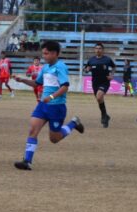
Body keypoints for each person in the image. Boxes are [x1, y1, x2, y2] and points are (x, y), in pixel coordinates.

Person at [11, 41, 85, 171]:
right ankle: (26, 161)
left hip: (56, 107)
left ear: (54, 53)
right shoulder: (45, 68)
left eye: (46, 53)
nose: (43, 56)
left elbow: (65, 87)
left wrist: (51, 97)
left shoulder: (60, 67)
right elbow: (36, 83)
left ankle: (74, 123)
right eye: (43, 53)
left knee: (54, 139)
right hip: (43, 105)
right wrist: (22, 80)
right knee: (33, 130)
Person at [84, 43, 116, 128]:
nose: (98, 50)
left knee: (99, 97)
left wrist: (112, 75)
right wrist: (87, 69)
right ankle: (105, 116)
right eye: (96, 48)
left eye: (100, 48)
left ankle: (103, 116)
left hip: (104, 82)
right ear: (94, 50)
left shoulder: (107, 59)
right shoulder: (91, 60)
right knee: (99, 100)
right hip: (95, 83)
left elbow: (114, 67)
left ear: (103, 50)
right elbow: (86, 69)